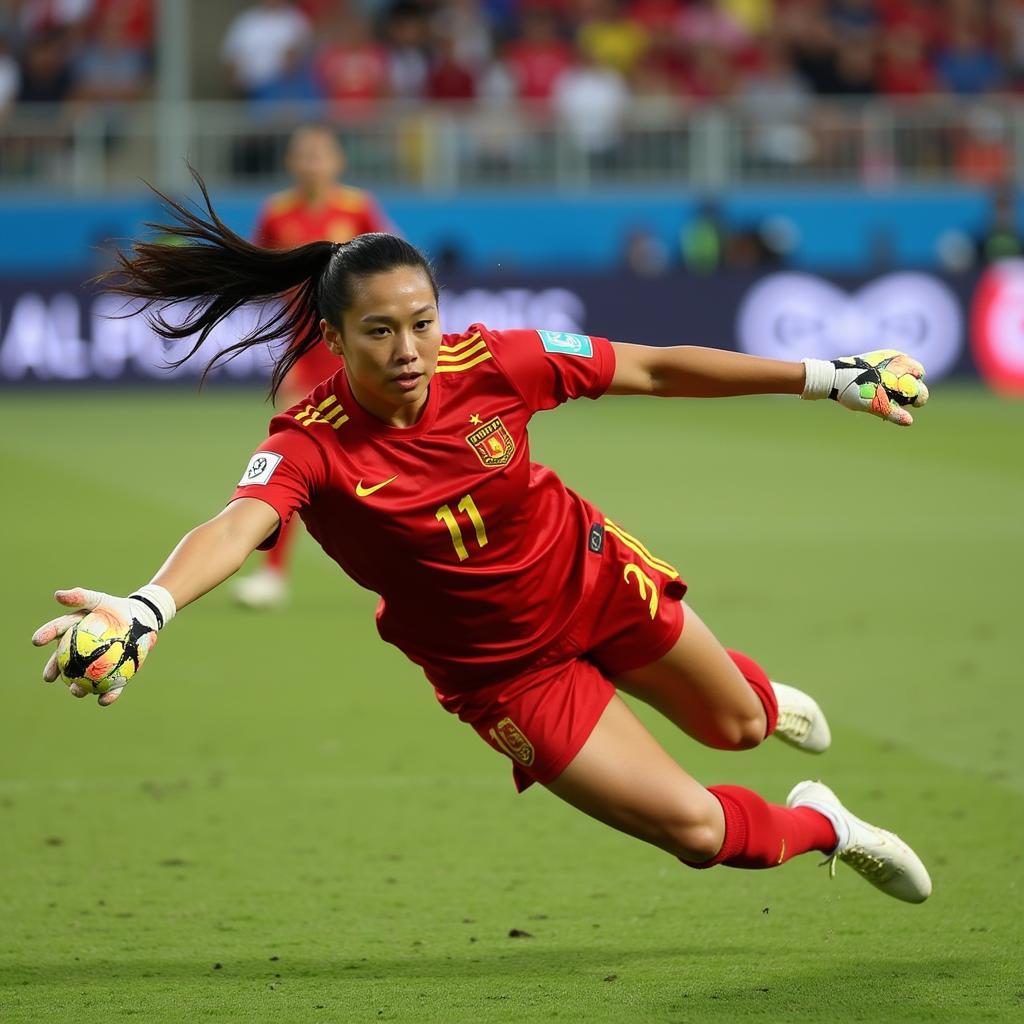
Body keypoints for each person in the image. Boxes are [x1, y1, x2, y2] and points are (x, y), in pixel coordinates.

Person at [30, 179, 933, 904]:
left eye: (421, 321)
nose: (409, 349)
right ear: (334, 339)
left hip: (593, 582)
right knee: (700, 835)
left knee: (738, 727)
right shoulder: (309, 440)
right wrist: (147, 606)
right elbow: (238, 525)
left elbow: (654, 365)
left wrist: (826, 376)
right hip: (507, 676)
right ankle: (830, 825)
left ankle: (754, 696)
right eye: (379, 331)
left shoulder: (495, 361)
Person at [236, 124, 394, 609]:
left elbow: (392, 268)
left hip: (356, 351)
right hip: (304, 353)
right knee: (298, 460)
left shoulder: (357, 208)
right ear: (291, 163)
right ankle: (275, 573)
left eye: (320, 154)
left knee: (378, 458)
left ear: (336, 162)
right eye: (303, 155)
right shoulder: (276, 214)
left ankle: (404, 570)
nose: (312, 164)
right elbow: (257, 269)